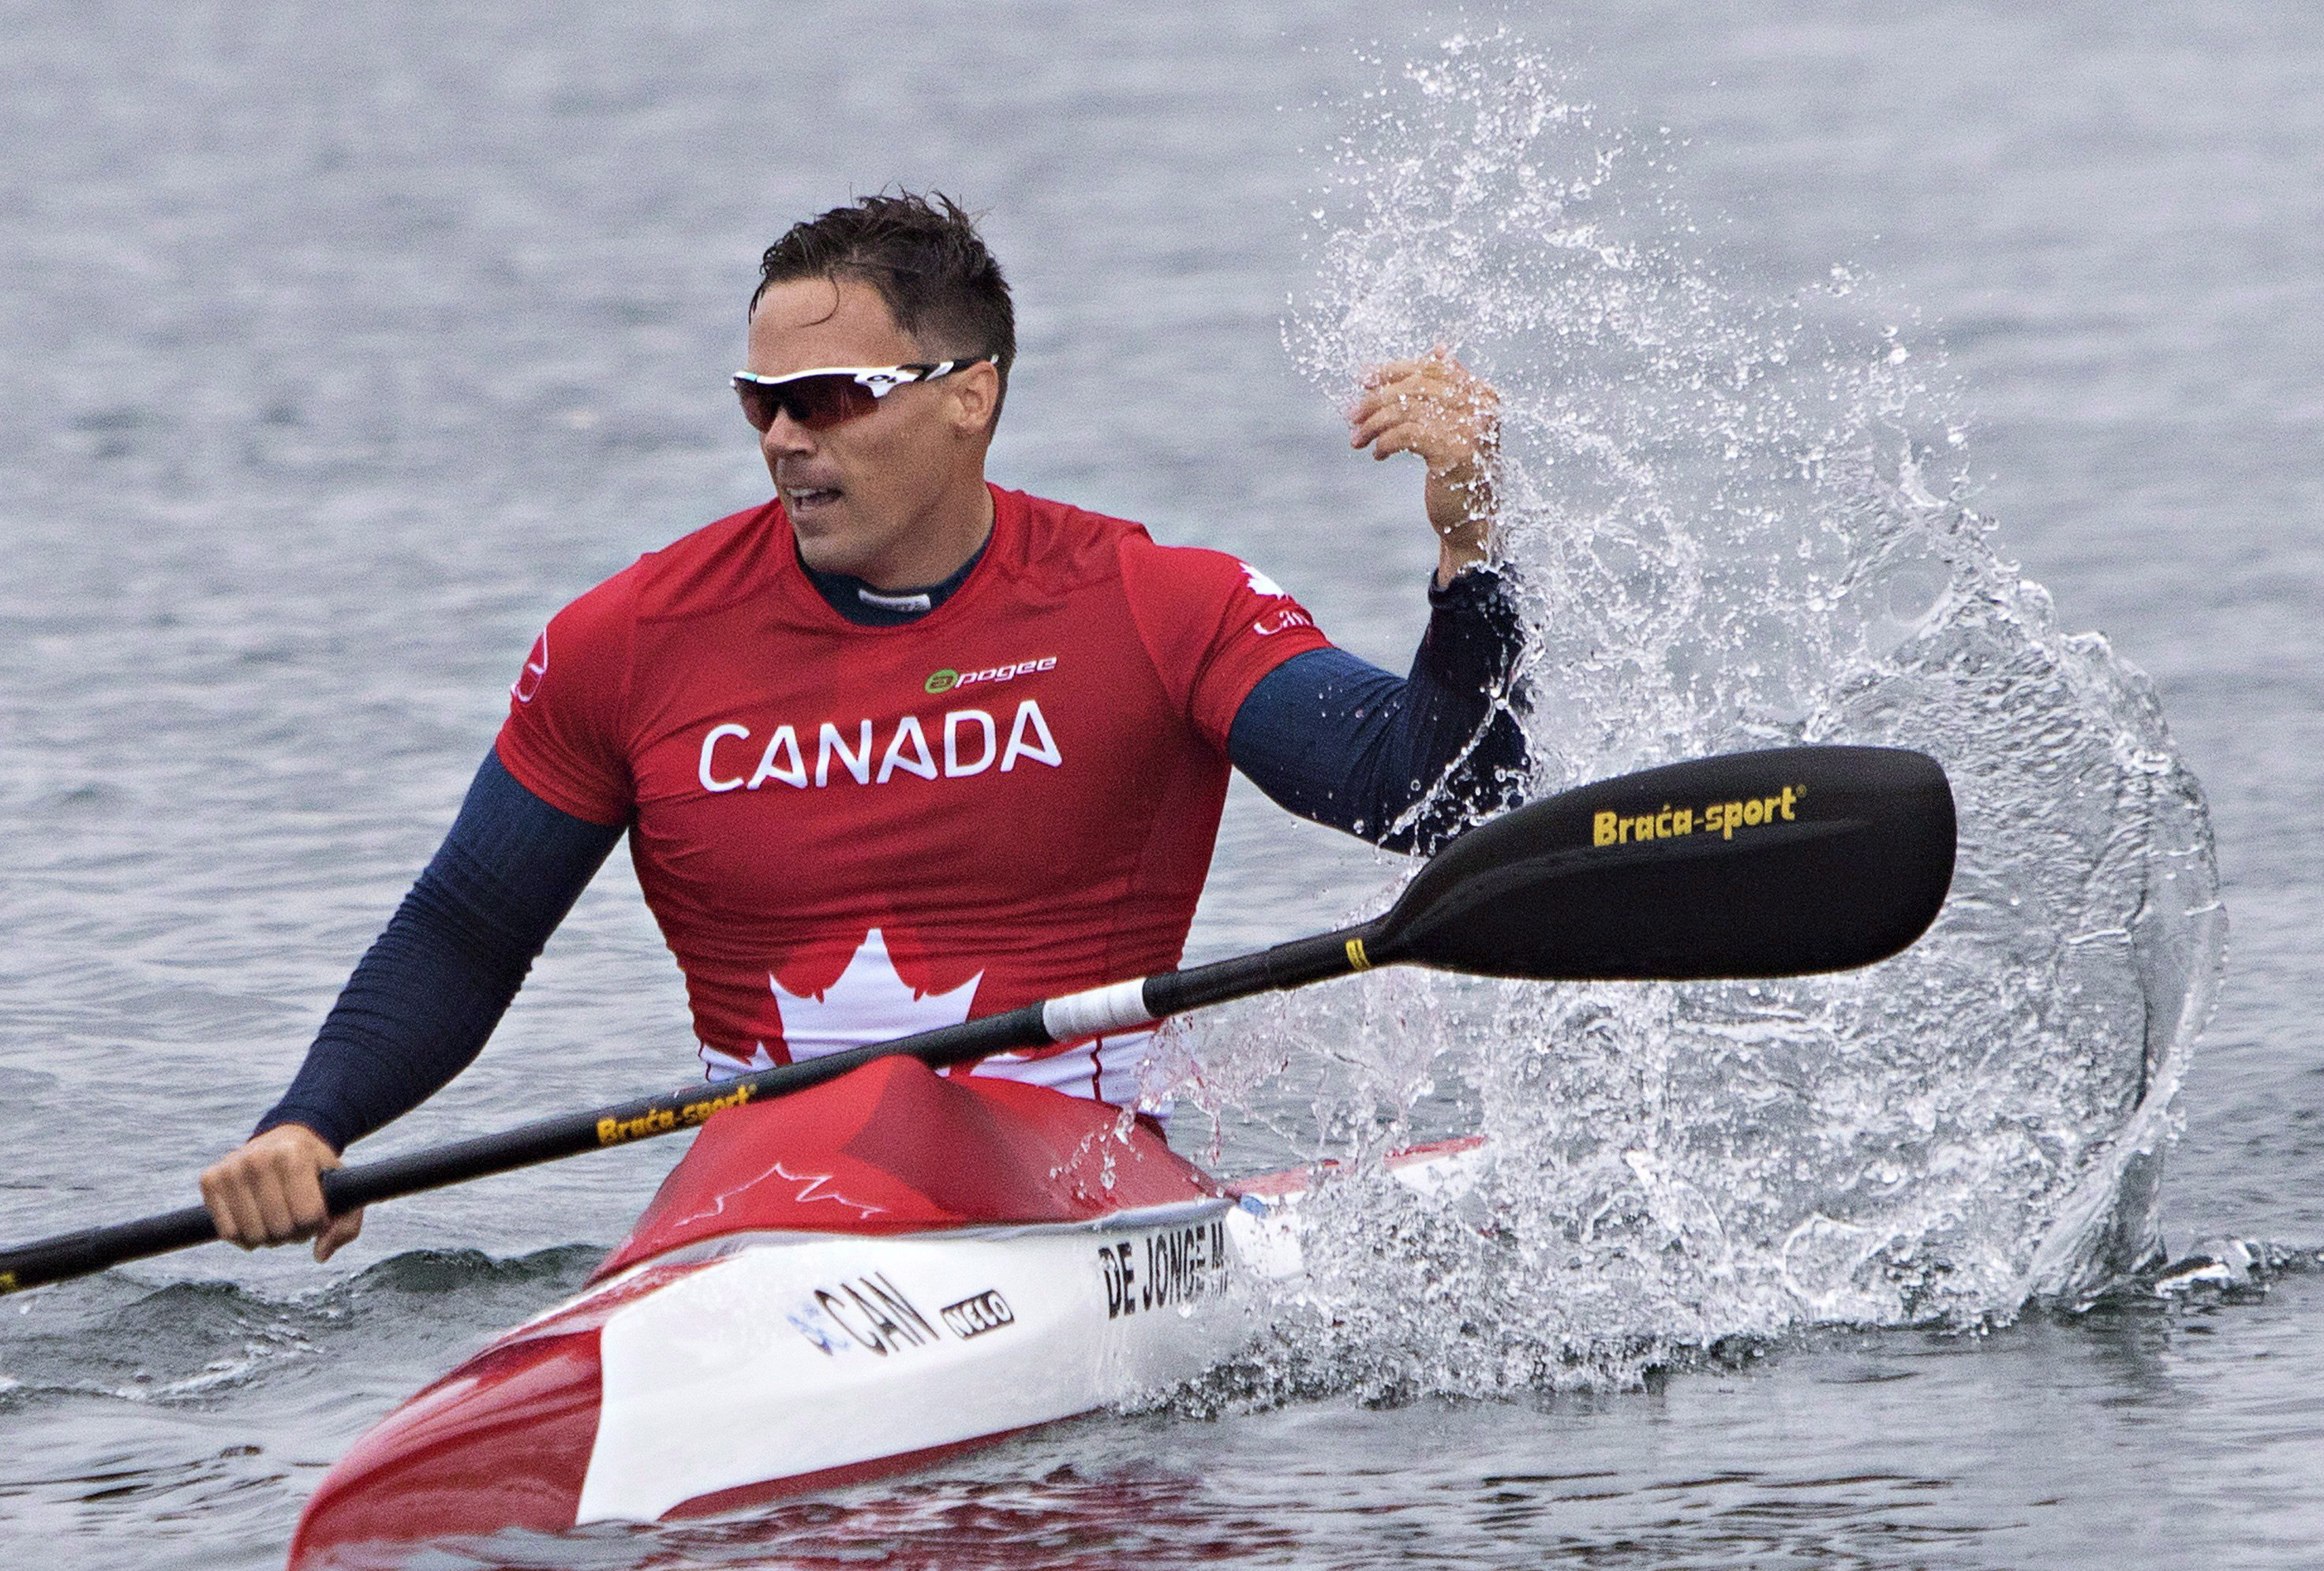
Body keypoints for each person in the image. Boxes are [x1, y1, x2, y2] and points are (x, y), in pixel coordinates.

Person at [198, 190, 1525, 1262]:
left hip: (1083, 1190)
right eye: (758, 401)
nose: (783, 437)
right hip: (753, 1201)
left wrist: (1473, 543)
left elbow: (1433, 791)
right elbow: (466, 925)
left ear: (969, 395)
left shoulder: (1150, 603)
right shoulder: (633, 639)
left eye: (828, 395)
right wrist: (313, 1123)